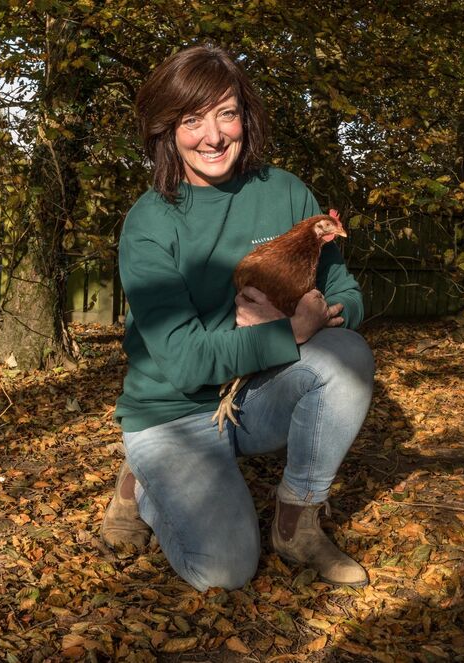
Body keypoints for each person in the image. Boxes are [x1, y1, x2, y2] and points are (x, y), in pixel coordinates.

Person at [100, 45, 374, 591]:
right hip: (172, 412)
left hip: (251, 394)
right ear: (165, 130)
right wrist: (291, 331)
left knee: (347, 356)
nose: (213, 136)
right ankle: (143, 482)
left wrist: (327, 313)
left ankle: (298, 523)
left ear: (244, 117)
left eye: (226, 114)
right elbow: (181, 362)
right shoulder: (150, 222)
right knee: (223, 572)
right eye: (191, 120)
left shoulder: (285, 191)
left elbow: (345, 289)